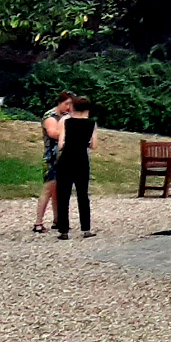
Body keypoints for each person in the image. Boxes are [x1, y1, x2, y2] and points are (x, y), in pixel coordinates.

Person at [52, 95, 97, 239]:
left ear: (73, 107)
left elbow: (60, 144)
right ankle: (86, 228)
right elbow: (94, 145)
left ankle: (63, 230)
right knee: (83, 194)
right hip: (82, 160)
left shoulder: (66, 122)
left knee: (63, 194)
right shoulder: (92, 124)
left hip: (66, 159)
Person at [32, 94, 74, 234]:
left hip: (64, 156)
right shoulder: (50, 116)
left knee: (59, 190)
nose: (68, 107)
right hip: (52, 158)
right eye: (66, 104)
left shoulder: (67, 116)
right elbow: (53, 133)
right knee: (48, 188)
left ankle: (58, 219)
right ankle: (38, 222)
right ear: (60, 103)